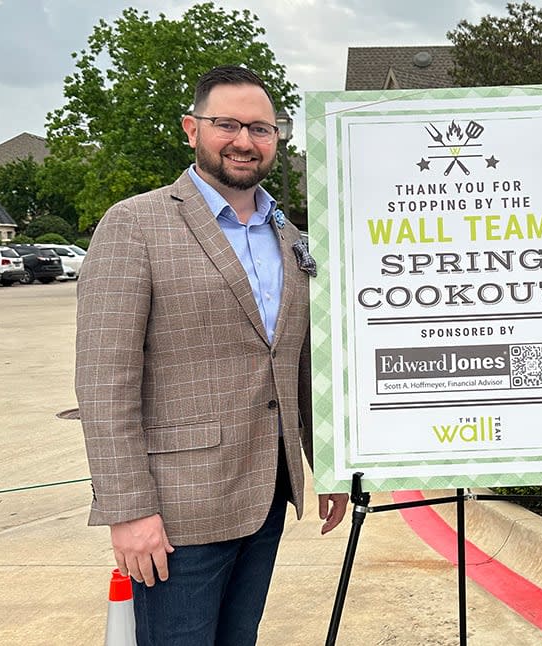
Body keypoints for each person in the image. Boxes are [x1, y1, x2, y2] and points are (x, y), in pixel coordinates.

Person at [75, 65, 348, 645]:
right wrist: (128, 510)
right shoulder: (135, 225)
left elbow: (298, 365)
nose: (244, 141)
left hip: (267, 494)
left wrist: (332, 464)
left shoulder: (292, 238)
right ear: (191, 129)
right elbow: (105, 383)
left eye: (261, 128)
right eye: (226, 124)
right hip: (177, 513)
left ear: (278, 139)